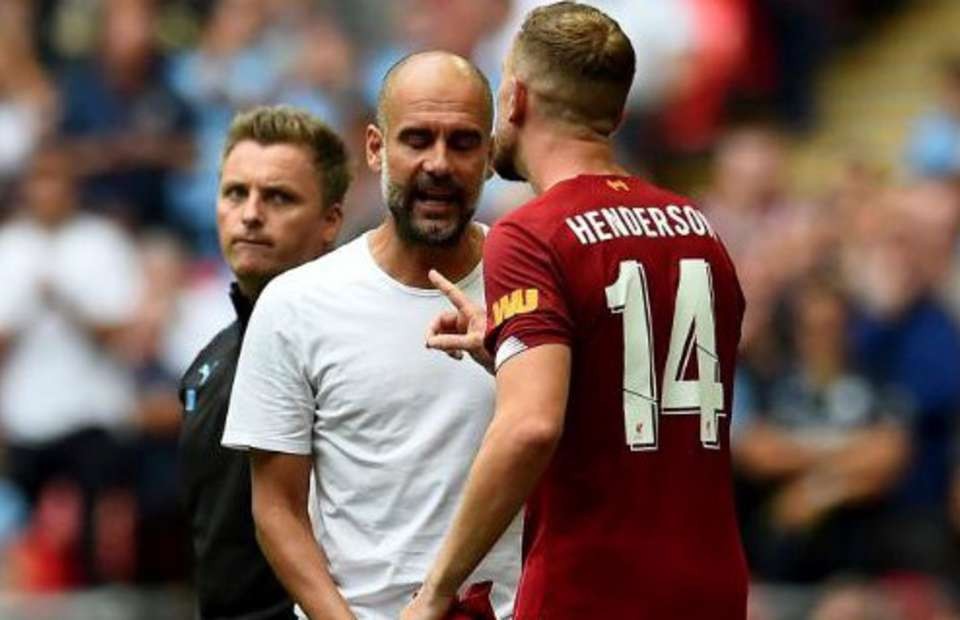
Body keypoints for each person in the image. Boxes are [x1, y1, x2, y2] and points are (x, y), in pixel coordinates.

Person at [404, 3, 749, 619]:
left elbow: (530, 428)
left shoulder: (531, 233)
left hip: (594, 585)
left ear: (514, 98)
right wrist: (515, 352)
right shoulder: (699, 229)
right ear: (615, 115)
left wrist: (434, 592)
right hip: (712, 585)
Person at [221, 52, 521, 620]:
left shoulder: (534, 284)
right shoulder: (297, 304)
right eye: (417, 139)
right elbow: (276, 508)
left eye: (461, 143)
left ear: (489, 156)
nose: (439, 163)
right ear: (376, 148)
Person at [178, 105, 349, 620]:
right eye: (236, 193)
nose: (251, 213)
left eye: (279, 197)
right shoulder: (206, 364)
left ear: (330, 221)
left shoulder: (354, 349)